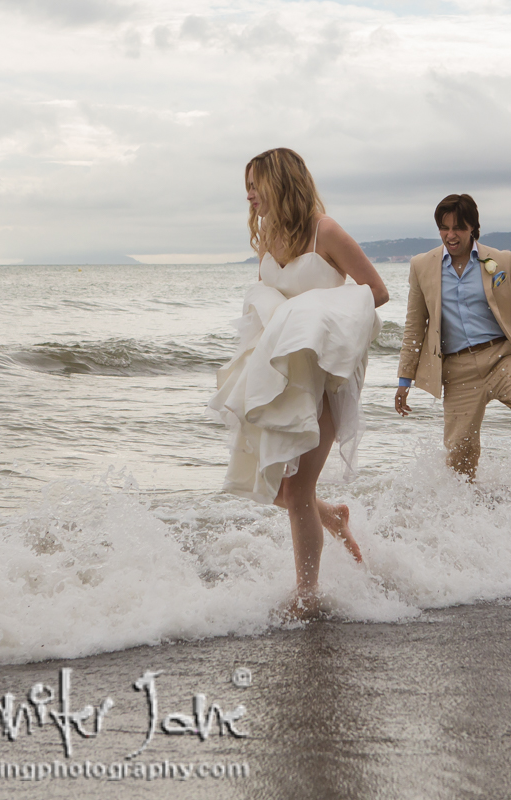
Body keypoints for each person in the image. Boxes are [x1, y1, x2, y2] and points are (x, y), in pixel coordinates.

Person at [210, 147, 388, 619]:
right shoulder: (267, 235)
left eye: (255, 186)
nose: (249, 196)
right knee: (274, 487)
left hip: (325, 375)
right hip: (283, 377)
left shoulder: (323, 231)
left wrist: (316, 317)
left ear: (280, 182)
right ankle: (334, 517)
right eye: (246, 188)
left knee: (299, 489)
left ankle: (306, 597)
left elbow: (378, 291)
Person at [394, 193, 511, 482]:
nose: (450, 236)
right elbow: (414, 326)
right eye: (444, 228)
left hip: (501, 359)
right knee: (460, 456)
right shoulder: (421, 265)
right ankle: (469, 516)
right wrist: (405, 380)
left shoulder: (500, 260)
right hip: (457, 370)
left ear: (472, 229)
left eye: (458, 228)